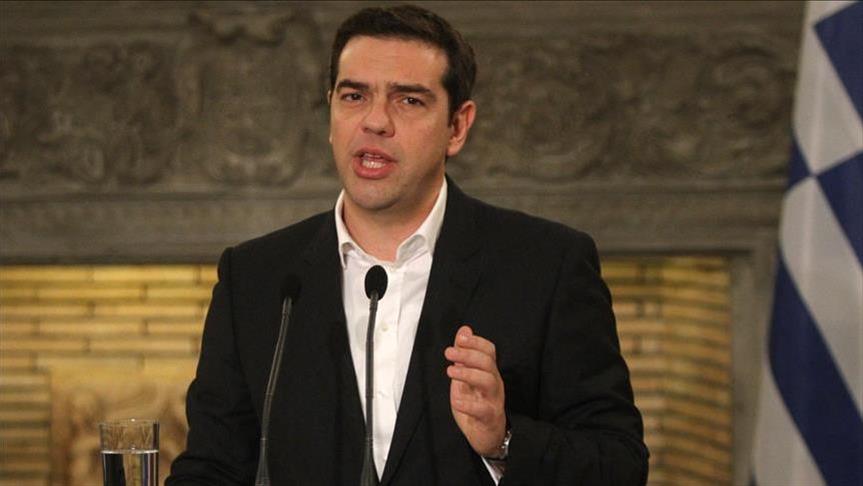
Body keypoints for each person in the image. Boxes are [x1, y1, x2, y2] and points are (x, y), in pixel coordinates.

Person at [167, 4, 648, 485]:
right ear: (330, 112)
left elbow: (619, 464)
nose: (375, 121)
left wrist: (503, 441)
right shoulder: (255, 278)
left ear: (457, 127)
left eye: (409, 100)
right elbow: (211, 469)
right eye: (354, 96)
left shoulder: (547, 265)